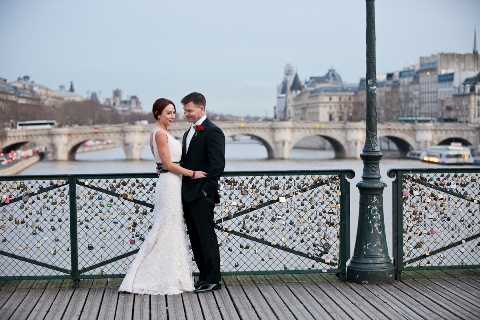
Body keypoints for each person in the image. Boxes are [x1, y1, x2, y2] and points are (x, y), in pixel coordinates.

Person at [119, 98, 206, 295]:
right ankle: (152, 277)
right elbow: (167, 164)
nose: (173, 116)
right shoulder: (159, 134)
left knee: (171, 227)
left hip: (172, 182)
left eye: (174, 112)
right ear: (157, 114)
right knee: (166, 227)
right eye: (168, 112)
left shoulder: (163, 133)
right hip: (170, 183)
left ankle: (170, 275)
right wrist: (193, 173)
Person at [179, 92, 225, 293]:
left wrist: (206, 190)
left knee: (206, 237)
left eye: (189, 110)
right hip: (187, 194)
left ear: (202, 108)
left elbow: (217, 166)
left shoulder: (213, 132)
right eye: (185, 110)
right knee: (195, 238)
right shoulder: (189, 132)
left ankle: (213, 279)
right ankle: (203, 276)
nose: (186, 114)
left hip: (202, 195)